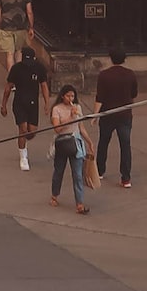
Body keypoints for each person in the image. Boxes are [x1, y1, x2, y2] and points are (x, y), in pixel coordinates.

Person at [93, 47, 138, 188]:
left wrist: (95, 114)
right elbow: (134, 94)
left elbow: (100, 97)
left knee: (103, 142)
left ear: (110, 58)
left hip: (107, 114)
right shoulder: (130, 74)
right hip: (125, 114)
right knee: (125, 145)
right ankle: (126, 178)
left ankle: (100, 171)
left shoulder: (104, 75)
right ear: (124, 59)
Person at [2, 45, 52, 171]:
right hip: (19, 102)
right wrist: (3, 105)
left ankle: (25, 143)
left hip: (33, 103)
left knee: (31, 132)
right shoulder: (16, 69)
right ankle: (23, 157)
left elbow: (44, 86)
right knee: (23, 130)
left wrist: (47, 103)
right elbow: (8, 87)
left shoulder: (39, 68)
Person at [50, 84, 92, 215]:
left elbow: (81, 127)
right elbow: (57, 128)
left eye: (72, 96)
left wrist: (89, 142)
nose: (70, 98)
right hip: (62, 143)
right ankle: (54, 195)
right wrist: (70, 116)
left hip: (75, 143)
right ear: (62, 96)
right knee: (59, 171)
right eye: (68, 95)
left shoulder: (78, 107)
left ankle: (79, 203)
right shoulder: (57, 109)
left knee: (78, 175)